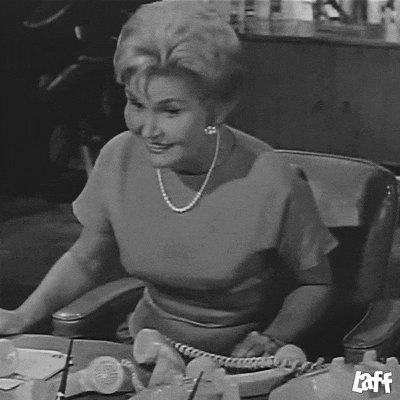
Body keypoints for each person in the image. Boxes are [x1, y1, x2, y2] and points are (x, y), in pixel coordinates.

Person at [0, 1, 337, 358]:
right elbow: (88, 260)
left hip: (238, 361)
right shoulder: (119, 157)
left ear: (217, 108)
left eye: (170, 111)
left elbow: (316, 285)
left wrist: (272, 339)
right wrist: (22, 316)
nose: (147, 129)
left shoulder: (272, 179)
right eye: (136, 103)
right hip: (144, 348)